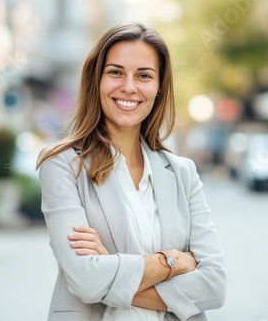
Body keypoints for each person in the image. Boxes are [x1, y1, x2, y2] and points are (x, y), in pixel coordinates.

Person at [36, 22, 226, 321]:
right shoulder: (62, 164)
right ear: (96, 79)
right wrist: (171, 262)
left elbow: (213, 287)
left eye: (144, 76)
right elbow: (85, 281)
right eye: (115, 72)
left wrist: (109, 268)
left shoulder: (182, 173)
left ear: (159, 87)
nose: (129, 86)